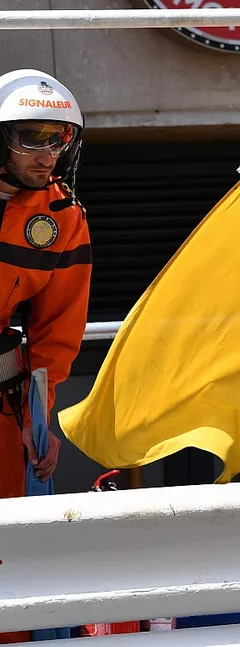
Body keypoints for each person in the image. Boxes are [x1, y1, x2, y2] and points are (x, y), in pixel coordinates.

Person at [0, 66, 91, 546]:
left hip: (4, 401)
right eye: (32, 139)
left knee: (9, 548)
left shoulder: (63, 215)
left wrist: (39, 419)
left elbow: (57, 332)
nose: (47, 155)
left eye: (58, 140)